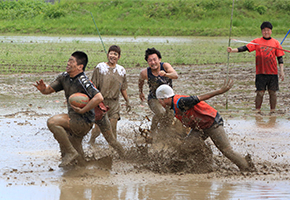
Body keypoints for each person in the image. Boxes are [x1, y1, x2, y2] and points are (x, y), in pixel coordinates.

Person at [34, 51, 124, 167]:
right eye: (68, 60)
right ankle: (100, 162)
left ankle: (125, 157)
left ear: (80, 67)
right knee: (79, 159)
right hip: (76, 118)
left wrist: (83, 110)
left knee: (111, 140)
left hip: (89, 118)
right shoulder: (64, 77)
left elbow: (99, 97)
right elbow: (48, 90)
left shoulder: (83, 81)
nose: (68, 63)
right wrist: (43, 89)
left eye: (72, 62)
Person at [155, 80, 256, 172]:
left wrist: (220, 91)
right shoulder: (173, 105)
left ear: (166, 98)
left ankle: (248, 168)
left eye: (160, 100)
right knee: (186, 146)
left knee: (226, 150)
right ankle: (199, 165)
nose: (160, 103)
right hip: (199, 127)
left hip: (212, 122)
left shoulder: (181, 102)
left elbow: (201, 97)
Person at [227, 21, 285, 115]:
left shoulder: (276, 43)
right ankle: (257, 110)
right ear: (262, 31)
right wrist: (232, 50)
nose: (266, 32)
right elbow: (245, 48)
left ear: (271, 31)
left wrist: (281, 71)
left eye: (268, 30)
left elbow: (280, 58)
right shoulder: (257, 41)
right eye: (264, 30)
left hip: (273, 73)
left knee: (273, 92)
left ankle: (273, 110)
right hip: (260, 72)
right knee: (260, 92)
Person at [89, 45, 131, 145]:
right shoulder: (100, 67)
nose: (113, 56)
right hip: (101, 102)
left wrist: (127, 101)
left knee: (113, 128)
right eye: (111, 53)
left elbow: (123, 88)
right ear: (107, 55)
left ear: (119, 57)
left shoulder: (121, 71)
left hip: (114, 103)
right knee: (98, 128)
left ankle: (112, 149)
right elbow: (93, 85)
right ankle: (91, 142)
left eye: (115, 54)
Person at [138, 47, 178, 132]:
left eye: (154, 59)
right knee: (161, 113)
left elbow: (175, 75)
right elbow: (140, 82)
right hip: (154, 98)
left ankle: (163, 133)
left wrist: (166, 74)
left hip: (168, 98)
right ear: (147, 62)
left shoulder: (165, 66)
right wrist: (141, 92)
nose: (153, 62)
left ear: (159, 59)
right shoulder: (144, 73)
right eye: (150, 60)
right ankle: (153, 132)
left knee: (170, 117)